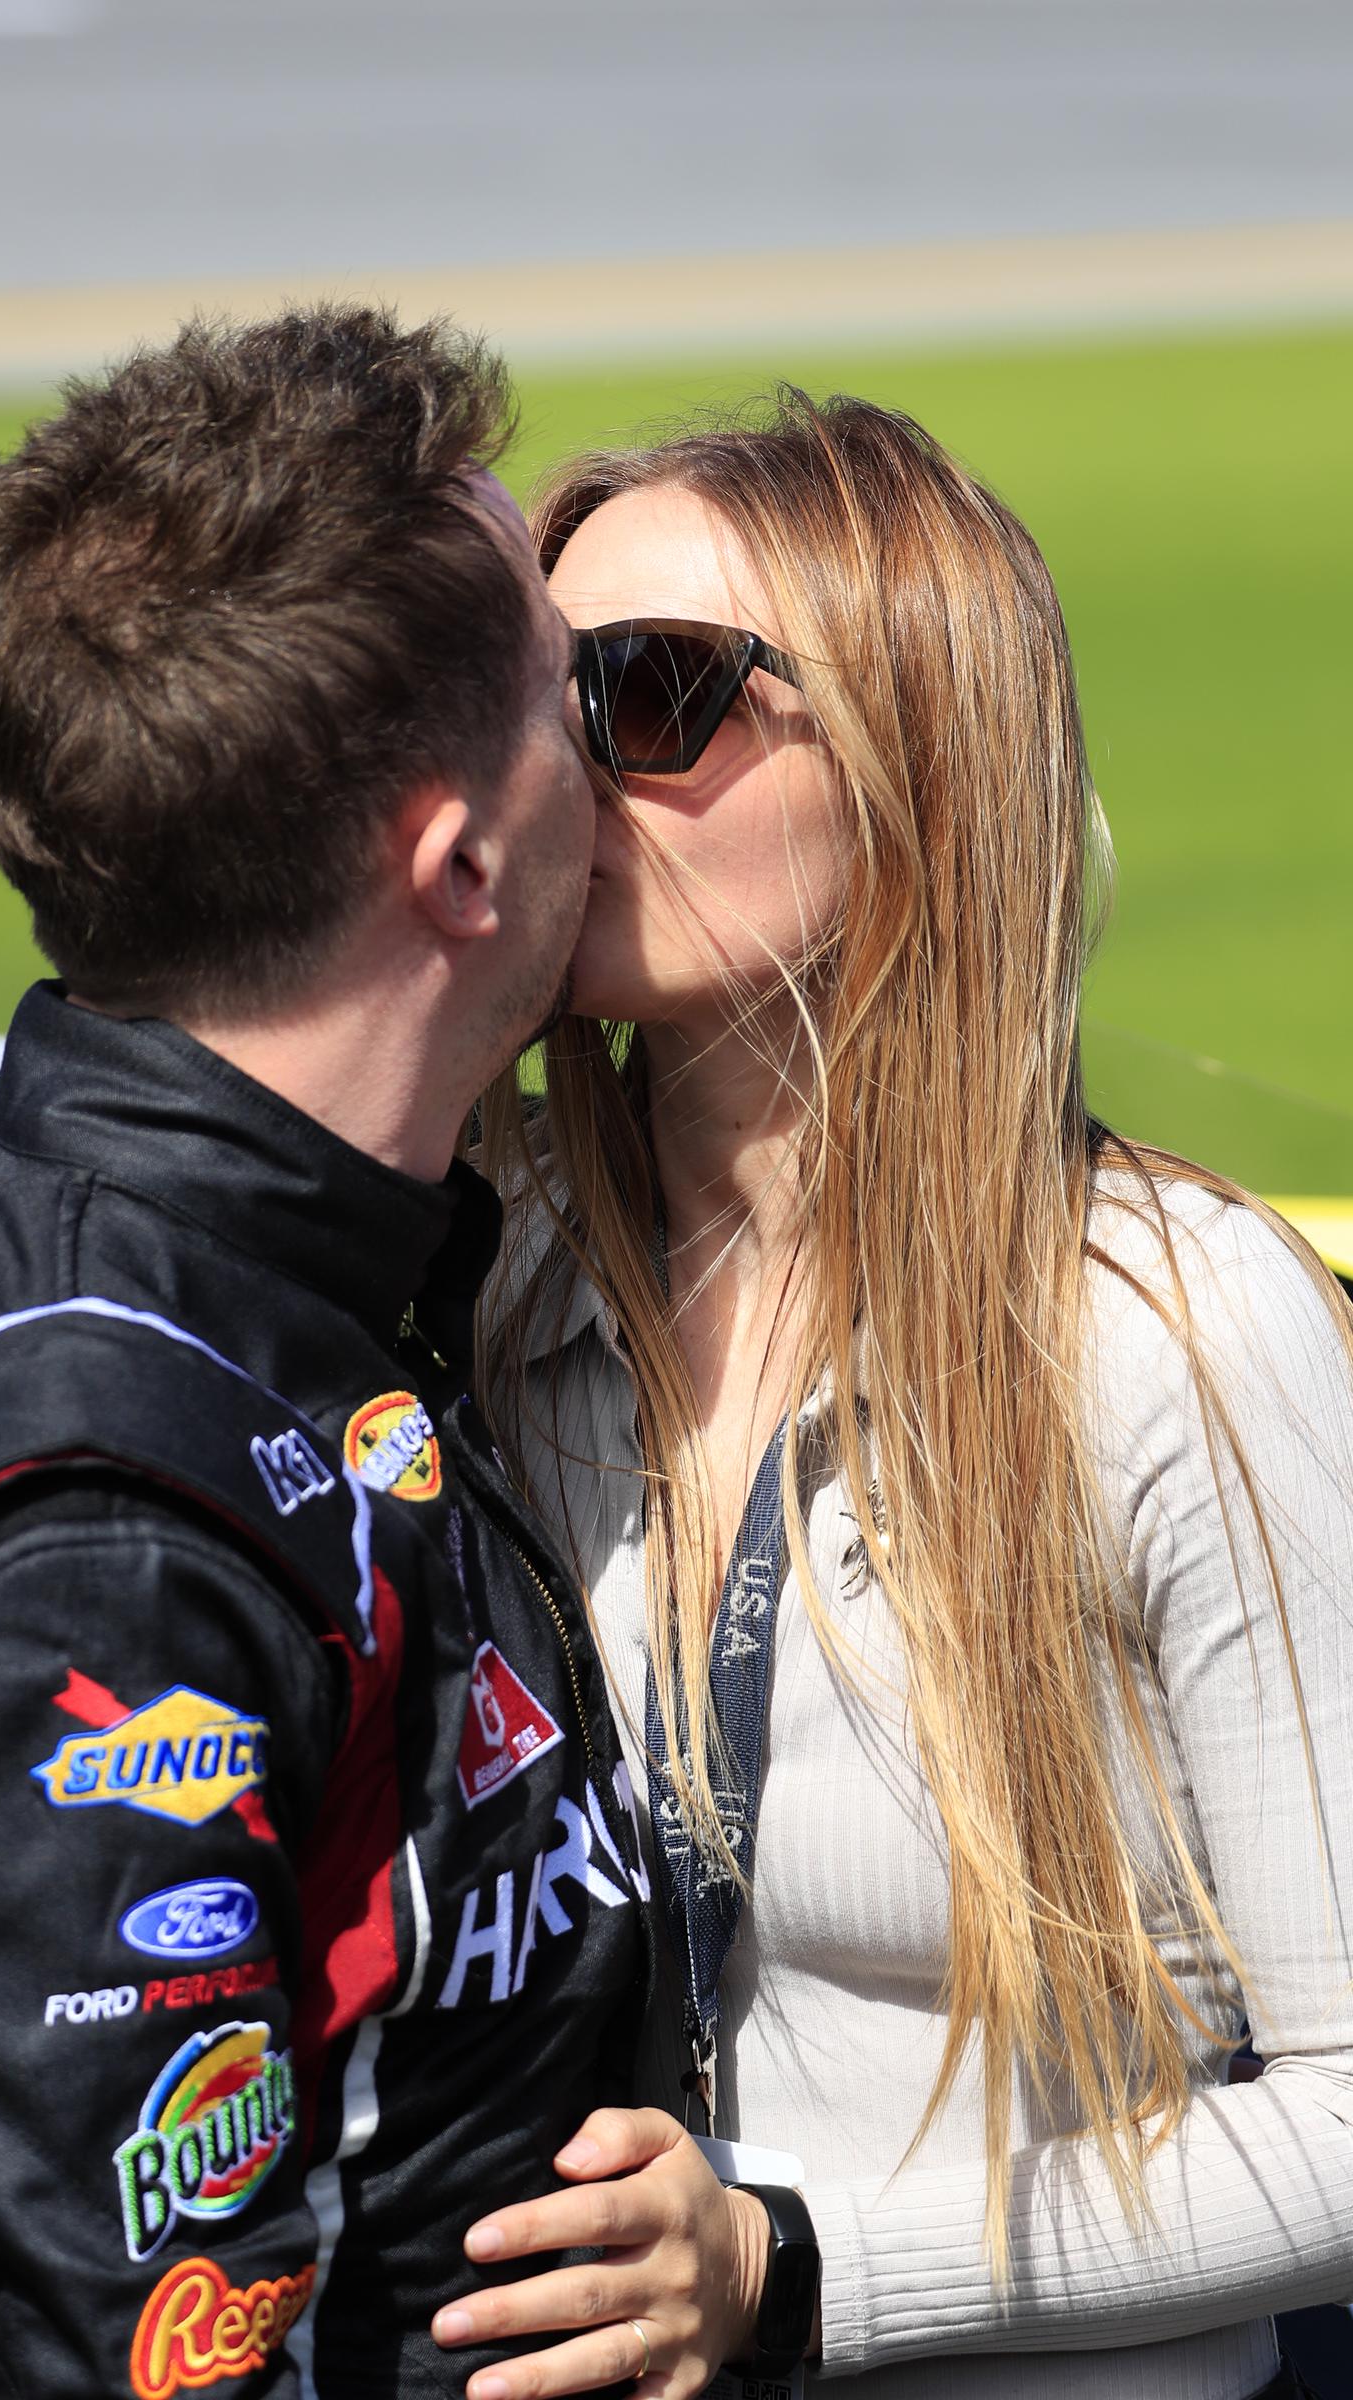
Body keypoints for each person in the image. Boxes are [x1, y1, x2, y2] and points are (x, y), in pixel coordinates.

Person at [0, 308, 762, 2400]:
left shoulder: (356, 1249)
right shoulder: (82, 1544)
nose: (623, 757)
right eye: (579, 699)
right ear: (461, 864)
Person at [427, 393, 1353, 2400]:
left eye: (642, 696)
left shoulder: (1172, 1336)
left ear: (914, 756)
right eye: (523, 698)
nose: (561, 773)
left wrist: (796, 2267)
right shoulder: (481, 1277)